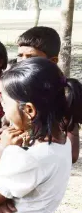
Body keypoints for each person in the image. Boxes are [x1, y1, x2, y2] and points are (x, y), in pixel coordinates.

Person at [0, 57, 82, 212]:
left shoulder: (28, 159)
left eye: (4, 101)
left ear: (29, 110)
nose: (2, 107)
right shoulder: (64, 142)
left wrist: (1, 151)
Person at [15, 26, 79, 164]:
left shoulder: (62, 93)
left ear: (53, 61)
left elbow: (72, 154)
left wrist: (38, 150)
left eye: (31, 56)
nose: (23, 62)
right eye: (20, 56)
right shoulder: (17, 87)